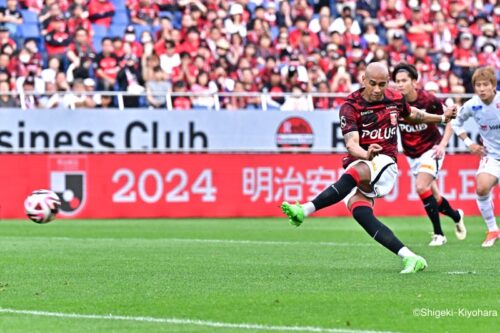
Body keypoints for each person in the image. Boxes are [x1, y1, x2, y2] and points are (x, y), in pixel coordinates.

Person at [281, 62, 457, 274]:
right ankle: (410, 257)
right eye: (372, 83)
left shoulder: (394, 99)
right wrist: (366, 154)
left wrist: (440, 118)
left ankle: (305, 209)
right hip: (364, 159)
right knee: (360, 212)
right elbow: (351, 144)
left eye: (382, 84)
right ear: (363, 80)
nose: (377, 89)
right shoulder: (350, 106)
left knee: (357, 171)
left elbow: (413, 114)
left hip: (385, 163)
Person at [392, 63, 465, 246]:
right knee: (435, 197)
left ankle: (439, 234)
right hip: (411, 154)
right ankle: (456, 215)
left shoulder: (428, 100)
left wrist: (443, 144)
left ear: (414, 81)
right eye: (397, 81)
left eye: (404, 81)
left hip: (431, 150)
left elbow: (450, 120)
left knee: (421, 186)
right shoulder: (394, 103)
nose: (400, 85)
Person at [451, 66, 500, 248]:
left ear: (493, 85)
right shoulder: (472, 104)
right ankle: (493, 229)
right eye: (478, 85)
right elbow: (456, 123)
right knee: (481, 187)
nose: (481, 88)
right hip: (492, 156)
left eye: (485, 84)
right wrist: (469, 143)